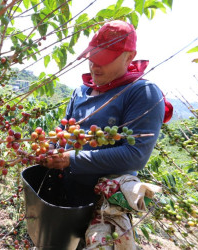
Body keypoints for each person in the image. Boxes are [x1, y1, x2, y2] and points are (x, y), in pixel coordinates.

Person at [42, 20, 170, 205]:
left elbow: (136, 155)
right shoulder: (81, 91)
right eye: (92, 59)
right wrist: (51, 146)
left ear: (129, 57)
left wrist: (71, 159)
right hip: (64, 190)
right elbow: (63, 130)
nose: (94, 66)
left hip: (103, 203)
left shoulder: (141, 93)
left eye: (104, 60)